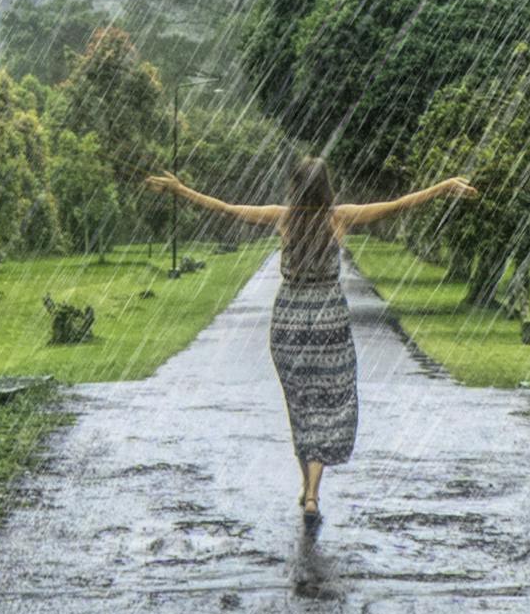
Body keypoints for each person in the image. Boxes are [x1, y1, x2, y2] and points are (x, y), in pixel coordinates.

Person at [143, 156, 476, 520]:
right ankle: (314, 492)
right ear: (326, 187)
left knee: (300, 403)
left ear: (295, 186)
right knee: (329, 402)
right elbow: (398, 206)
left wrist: (180, 190)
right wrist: (442, 188)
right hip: (328, 319)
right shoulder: (339, 217)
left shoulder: (283, 217)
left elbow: (225, 209)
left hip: (289, 321)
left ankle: (308, 487)